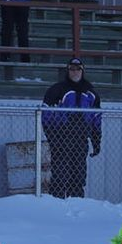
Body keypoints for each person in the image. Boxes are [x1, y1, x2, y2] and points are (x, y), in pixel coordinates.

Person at [41, 57, 100, 198]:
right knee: (60, 177)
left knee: (78, 177)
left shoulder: (91, 93)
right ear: (67, 71)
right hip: (61, 139)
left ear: (82, 71)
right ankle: (56, 207)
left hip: (80, 140)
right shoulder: (56, 90)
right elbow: (45, 115)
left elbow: (96, 119)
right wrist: (52, 138)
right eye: (72, 69)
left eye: (78, 69)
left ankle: (77, 208)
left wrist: (96, 142)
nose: (75, 72)